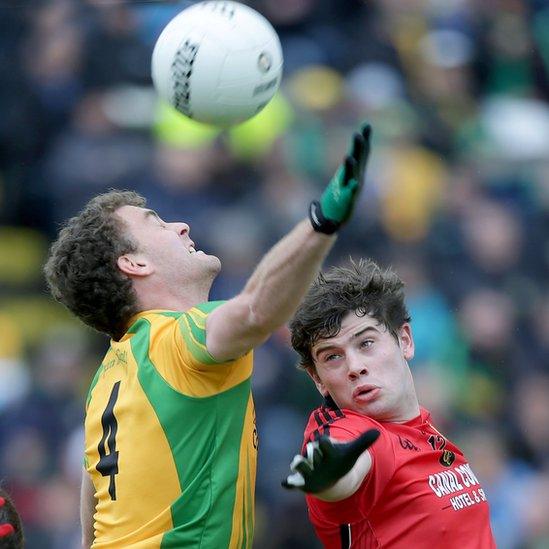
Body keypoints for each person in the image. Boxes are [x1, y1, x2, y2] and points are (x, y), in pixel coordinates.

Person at [43, 125, 371, 548]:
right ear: (135, 264)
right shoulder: (175, 339)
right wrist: (321, 223)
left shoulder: (107, 377)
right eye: (156, 223)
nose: (180, 225)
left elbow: (93, 509)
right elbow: (255, 309)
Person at [282, 259, 496, 548]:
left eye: (366, 343)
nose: (354, 366)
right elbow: (347, 468)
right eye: (332, 356)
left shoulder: (426, 431)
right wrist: (328, 476)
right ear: (318, 379)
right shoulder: (352, 434)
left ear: (404, 340)